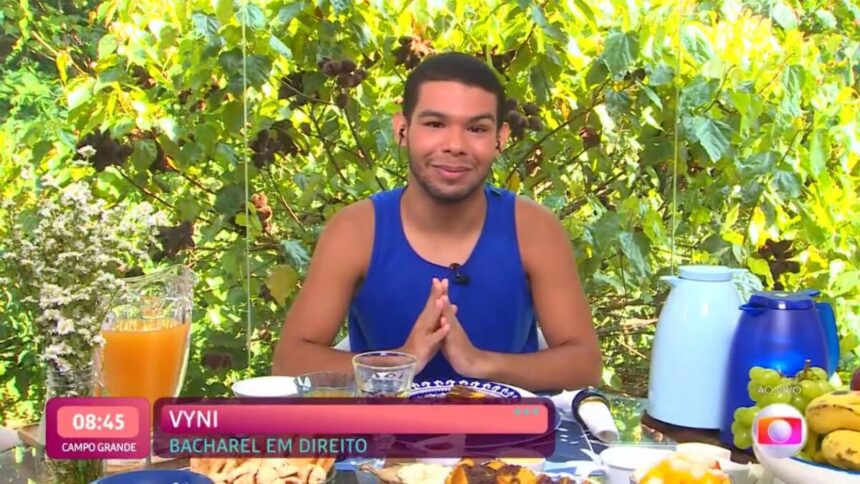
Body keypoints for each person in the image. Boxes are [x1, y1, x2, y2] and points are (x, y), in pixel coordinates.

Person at [272, 52, 601, 392]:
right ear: (402, 129)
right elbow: (289, 362)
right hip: (385, 439)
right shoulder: (357, 230)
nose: (455, 145)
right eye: (434, 124)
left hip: (510, 441)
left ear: (500, 139)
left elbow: (584, 364)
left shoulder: (534, 229)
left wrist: (480, 362)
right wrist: (400, 362)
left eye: (476, 128)